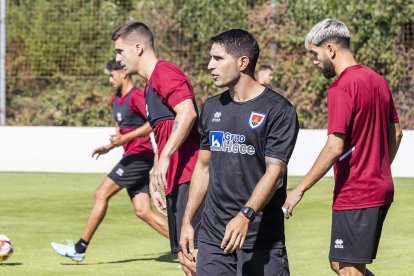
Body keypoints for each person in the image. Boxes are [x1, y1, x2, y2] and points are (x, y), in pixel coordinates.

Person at [283, 19, 403, 276]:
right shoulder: (377, 80)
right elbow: (397, 132)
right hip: (378, 187)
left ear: (330, 49)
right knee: (340, 262)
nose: (315, 62)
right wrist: (378, 167)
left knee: (348, 268)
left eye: (315, 55)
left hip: (358, 191)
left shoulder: (341, 87)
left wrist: (298, 190)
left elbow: (334, 147)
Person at [180, 29, 299, 276]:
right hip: (214, 238)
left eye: (218, 58)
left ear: (243, 62)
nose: (210, 65)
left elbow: (275, 172)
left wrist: (245, 216)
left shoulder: (278, 111)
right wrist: (188, 221)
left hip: (260, 239)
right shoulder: (212, 107)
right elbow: (203, 168)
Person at [51, 59, 168, 262]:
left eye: (112, 75)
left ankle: (80, 248)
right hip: (131, 156)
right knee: (143, 211)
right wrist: (111, 146)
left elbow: (153, 123)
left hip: (140, 156)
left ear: (124, 73)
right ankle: (191, 245)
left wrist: (125, 138)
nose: (109, 79)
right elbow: (121, 131)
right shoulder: (115, 100)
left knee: (101, 193)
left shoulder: (137, 97)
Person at [111, 22, 201, 275]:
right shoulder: (150, 85)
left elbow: (188, 112)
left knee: (198, 260)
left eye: (120, 51)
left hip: (192, 179)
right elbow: (165, 134)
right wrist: (156, 175)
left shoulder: (164, 72)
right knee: (188, 262)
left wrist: (165, 159)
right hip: (176, 181)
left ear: (138, 47)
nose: (117, 59)